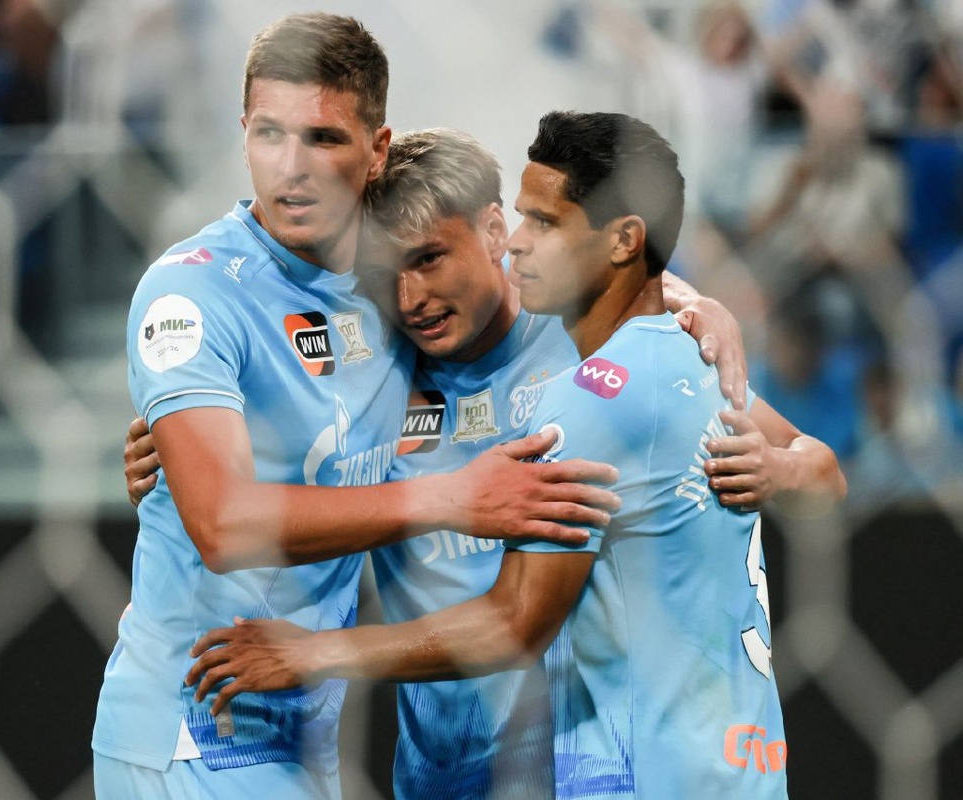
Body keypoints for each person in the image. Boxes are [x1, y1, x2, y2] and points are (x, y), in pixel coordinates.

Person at [123, 126, 830, 797]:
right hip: (438, 779)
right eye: (385, 273)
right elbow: (248, 458)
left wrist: (777, 458)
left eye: (430, 258)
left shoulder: (590, 346)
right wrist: (166, 448)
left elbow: (816, 463)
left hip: (578, 770)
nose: (411, 299)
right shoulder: (374, 373)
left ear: (495, 232)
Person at [92, 15, 624, 800]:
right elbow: (223, 525)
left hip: (303, 733)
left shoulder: (390, 297)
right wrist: (452, 498)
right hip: (195, 722)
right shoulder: (192, 291)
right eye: (270, 134)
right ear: (242, 133)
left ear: (377, 150)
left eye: (323, 139)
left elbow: (548, 293)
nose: (292, 168)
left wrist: (682, 308)